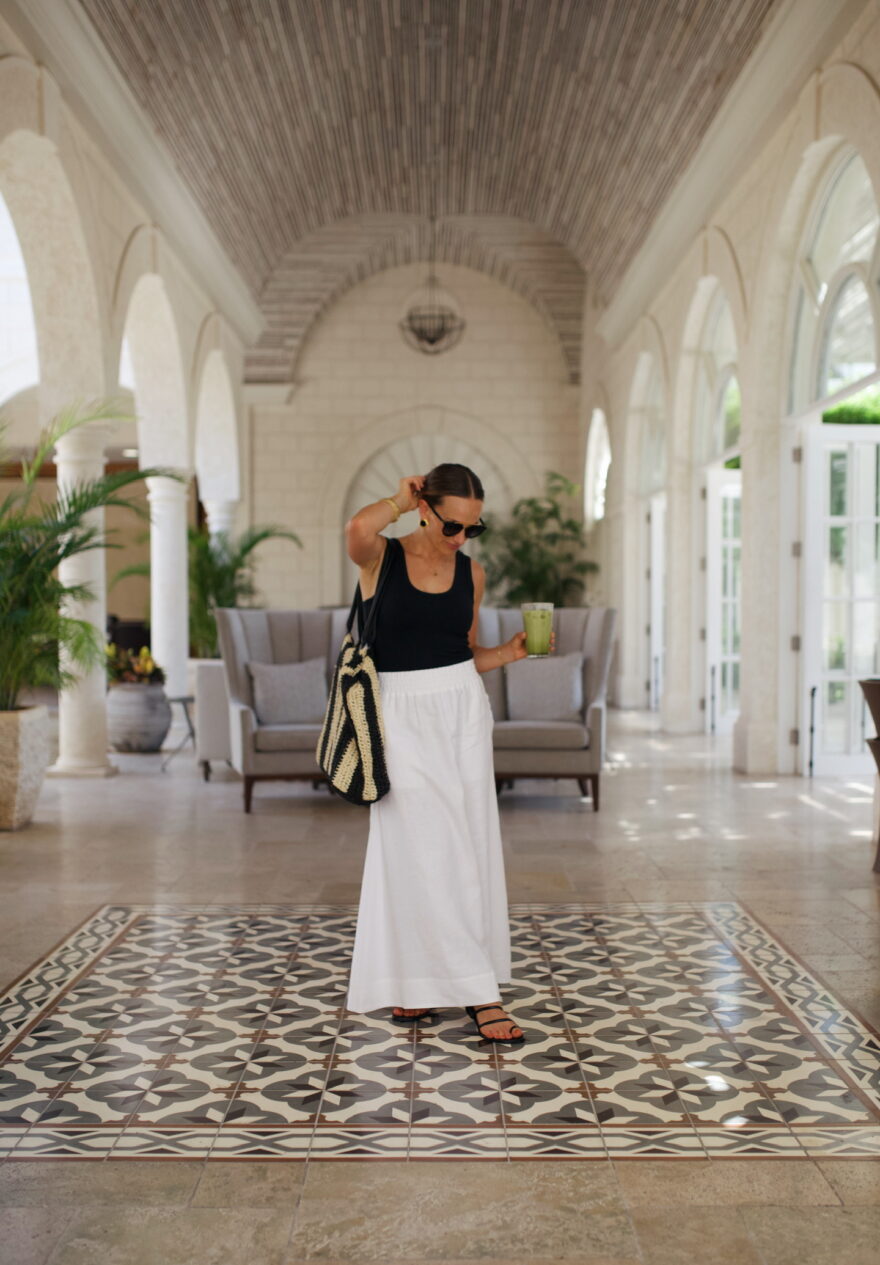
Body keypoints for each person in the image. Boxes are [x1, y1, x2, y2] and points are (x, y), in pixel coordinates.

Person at [344, 462, 536, 1044]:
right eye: (453, 526)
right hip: (400, 714)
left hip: (462, 712)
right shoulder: (382, 556)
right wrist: (398, 501)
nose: (460, 539)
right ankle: (480, 994)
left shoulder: (471, 574)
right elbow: (356, 528)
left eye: (473, 529)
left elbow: (461, 652)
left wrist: (508, 653)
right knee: (422, 847)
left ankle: (417, 982)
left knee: (466, 845)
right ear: (425, 507)